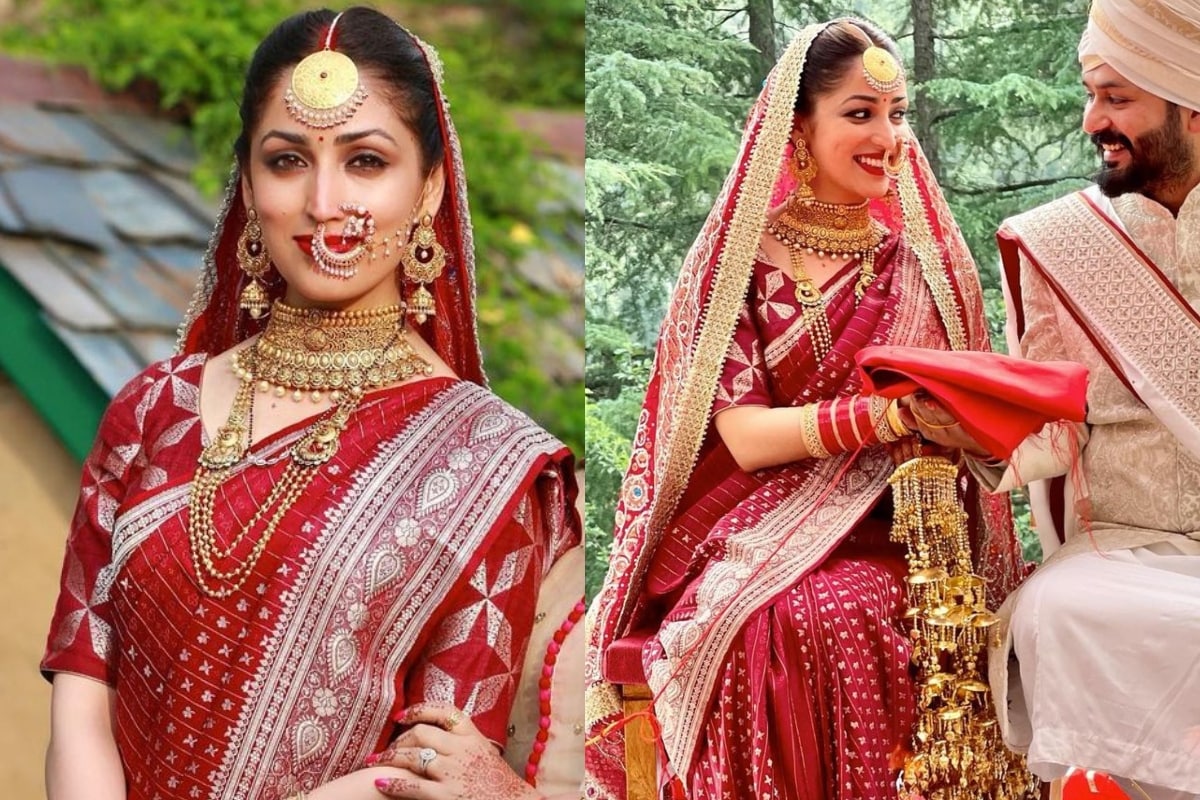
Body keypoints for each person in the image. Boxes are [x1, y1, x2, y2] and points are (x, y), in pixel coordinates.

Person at [39, 7, 581, 800]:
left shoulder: (489, 471)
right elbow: (85, 689)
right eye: (287, 160)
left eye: (366, 161)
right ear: (251, 189)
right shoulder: (155, 410)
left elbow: (427, 768)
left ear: (428, 186)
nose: (325, 202)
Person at [584, 18, 1026, 800]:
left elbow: (971, 433)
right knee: (781, 620)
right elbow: (746, 440)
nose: (886, 136)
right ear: (797, 131)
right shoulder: (735, 269)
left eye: (895, 115)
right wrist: (889, 417)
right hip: (754, 528)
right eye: (859, 113)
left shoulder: (926, 271)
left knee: (830, 611)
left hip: (900, 535)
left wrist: (959, 425)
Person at [942, 1, 1200, 798]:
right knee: (1068, 615)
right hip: (1122, 549)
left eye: (1118, 98)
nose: (1094, 120)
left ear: (1190, 108)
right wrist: (966, 430)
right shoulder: (1061, 242)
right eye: (1090, 95)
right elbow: (1053, 429)